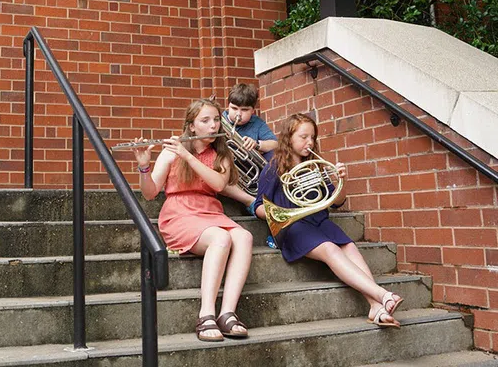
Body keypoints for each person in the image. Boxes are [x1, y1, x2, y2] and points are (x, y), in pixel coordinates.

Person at [250, 113, 404, 328]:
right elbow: (258, 205)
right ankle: (383, 294)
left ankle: (375, 306)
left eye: (312, 137)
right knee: (331, 250)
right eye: (304, 137)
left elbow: (337, 201)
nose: (309, 142)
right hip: (293, 226)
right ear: (289, 138)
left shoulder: (315, 165)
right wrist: (279, 214)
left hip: (319, 222)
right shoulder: (274, 167)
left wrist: (342, 181)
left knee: (349, 246)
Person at [132, 98, 253, 342]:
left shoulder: (221, 155)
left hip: (210, 211)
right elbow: (149, 193)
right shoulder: (170, 152)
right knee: (221, 238)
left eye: (216, 120)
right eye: (205, 120)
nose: (212, 125)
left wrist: (187, 155)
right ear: (191, 126)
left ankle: (227, 313)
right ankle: (206, 313)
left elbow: (218, 184)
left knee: (244, 235)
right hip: (179, 214)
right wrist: (144, 167)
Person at [219, 83, 278, 214]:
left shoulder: (257, 123)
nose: (238, 114)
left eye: (244, 110)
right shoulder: (219, 121)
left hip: (249, 169)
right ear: (228, 106)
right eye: (234, 108)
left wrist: (257, 145)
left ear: (253, 110)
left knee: (275, 157)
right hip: (226, 169)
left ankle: (265, 200)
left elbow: (275, 143)